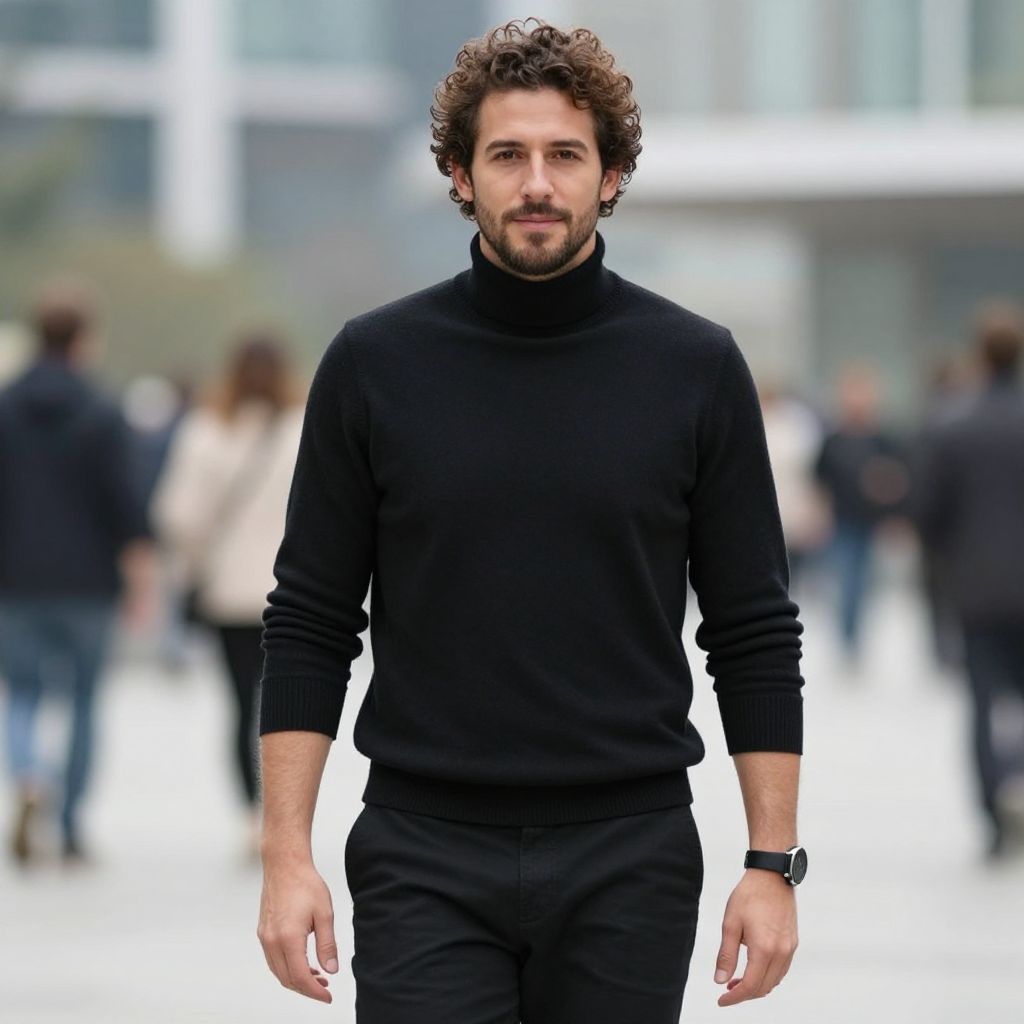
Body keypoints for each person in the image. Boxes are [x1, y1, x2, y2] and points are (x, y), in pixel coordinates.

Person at [256, 20, 807, 1020]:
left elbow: (754, 630)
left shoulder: (695, 368)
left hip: (631, 855)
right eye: (507, 155)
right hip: (421, 849)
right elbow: (309, 621)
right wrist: (285, 856)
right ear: (460, 175)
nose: (538, 183)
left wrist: (771, 864)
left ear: (611, 174)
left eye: (566, 155)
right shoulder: (373, 365)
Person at [0, 277, 156, 866]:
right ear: (83, 338)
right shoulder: (101, 410)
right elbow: (126, 504)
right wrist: (141, 580)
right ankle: (68, 824)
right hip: (88, 583)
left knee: (22, 692)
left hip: (15, 579)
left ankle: (28, 774)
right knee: (84, 702)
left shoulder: (5, 406)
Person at [152, 330, 304, 859]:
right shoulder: (304, 429)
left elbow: (178, 516)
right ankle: (288, 815)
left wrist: (195, 564)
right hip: (295, 592)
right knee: (290, 704)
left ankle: (250, 814)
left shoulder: (206, 431)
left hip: (229, 593)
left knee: (242, 706)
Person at [914, 301, 1024, 861]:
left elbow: (927, 511)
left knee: (983, 705)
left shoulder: (952, 424)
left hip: (977, 590)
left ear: (980, 353)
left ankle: (992, 811)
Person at [813, 365, 910, 665]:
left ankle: (855, 636)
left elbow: (900, 478)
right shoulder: (833, 439)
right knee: (846, 579)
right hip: (842, 520)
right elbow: (820, 479)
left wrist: (894, 513)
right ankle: (847, 637)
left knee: (865, 582)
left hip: (871, 521)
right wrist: (819, 515)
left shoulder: (883, 439)